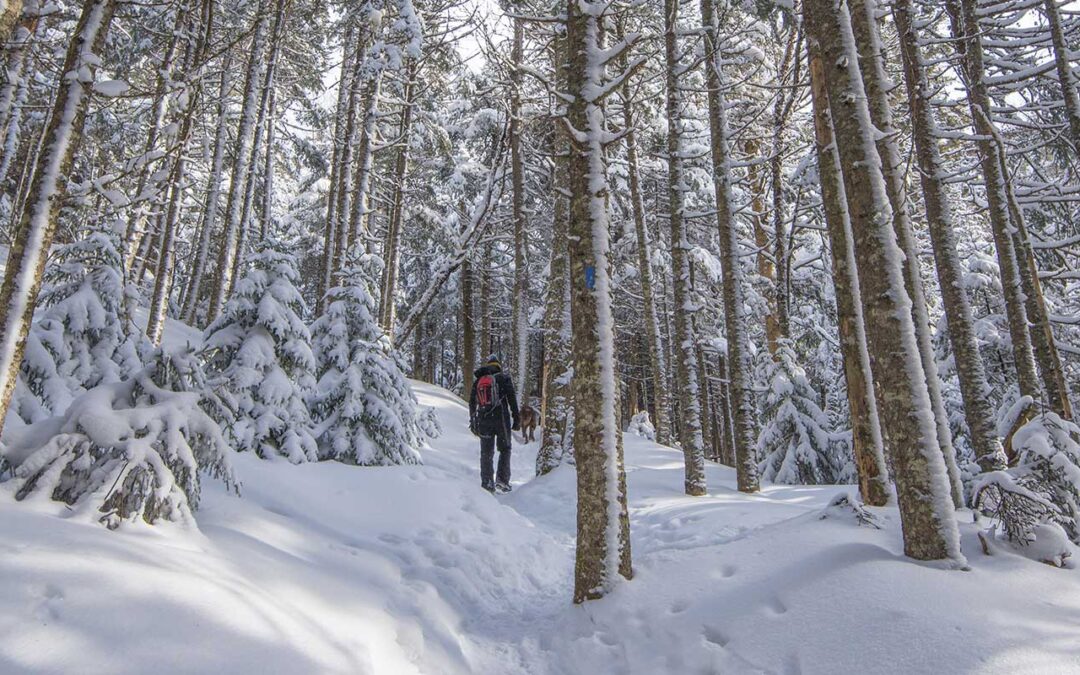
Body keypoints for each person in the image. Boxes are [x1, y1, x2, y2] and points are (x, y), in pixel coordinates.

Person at [469, 355, 520, 493]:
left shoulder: (479, 380)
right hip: (501, 418)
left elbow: (472, 402)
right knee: (505, 448)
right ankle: (502, 481)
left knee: (486, 452)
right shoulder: (503, 378)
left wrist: (473, 420)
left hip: (484, 420)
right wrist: (516, 419)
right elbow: (512, 399)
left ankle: (487, 484)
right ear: (498, 365)